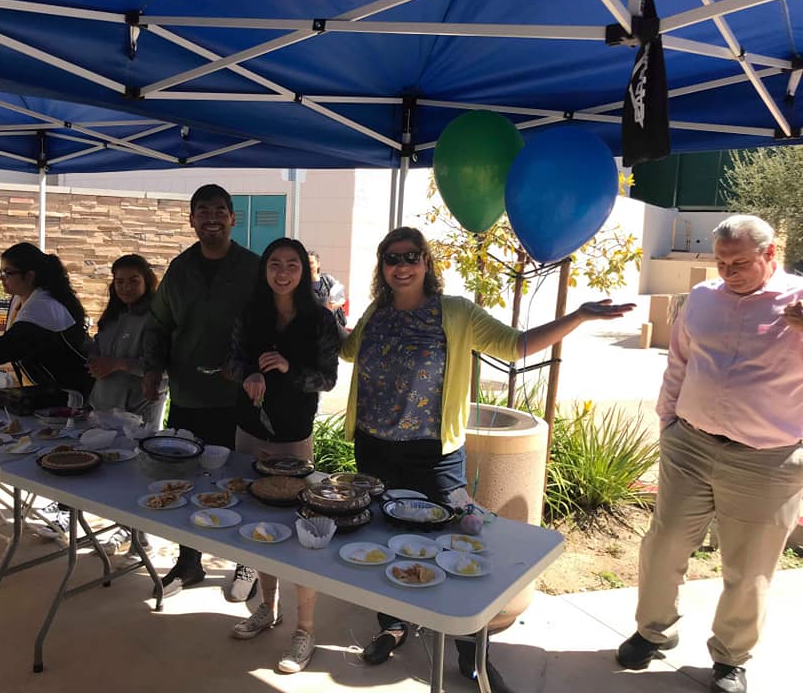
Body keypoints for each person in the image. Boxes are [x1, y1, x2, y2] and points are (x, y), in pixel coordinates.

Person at [341, 227, 633, 690]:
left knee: (461, 545)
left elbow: (517, 345)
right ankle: (394, 626)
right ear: (381, 266)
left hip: (433, 455)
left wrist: (577, 315)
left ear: (427, 263)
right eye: (391, 258)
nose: (401, 266)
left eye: (411, 256)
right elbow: (346, 347)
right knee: (384, 536)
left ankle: (472, 654)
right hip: (374, 449)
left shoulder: (454, 312)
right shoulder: (377, 313)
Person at [616, 215, 803, 693]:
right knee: (663, 544)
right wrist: (669, 424)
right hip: (690, 444)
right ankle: (653, 630)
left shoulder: (799, 303)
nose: (728, 271)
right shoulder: (701, 299)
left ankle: (730, 658)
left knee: (749, 567)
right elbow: (678, 360)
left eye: (739, 262)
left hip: (767, 458)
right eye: (720, 262)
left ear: (770, 256)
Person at [142, 183, 261, 600]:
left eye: (219, 210)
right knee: (185, 476)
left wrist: (247, 364)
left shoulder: (253, 267)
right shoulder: (180, 268)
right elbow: (159, 324)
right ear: (191, 219)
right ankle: (189, 561)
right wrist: (153, 367)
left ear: (233, 217)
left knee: (241, 477)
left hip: (239, 397)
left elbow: (270, 326)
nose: (211, 217)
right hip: (189, 394)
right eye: (202, 211)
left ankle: (248, 562)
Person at [226, 238, 340, 673]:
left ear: (304, 271)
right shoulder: (250, 311)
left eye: (292, 264)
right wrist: (249, 372)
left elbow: (328, 380)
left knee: (297, 530)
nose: (283, 271)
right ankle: (266, 609)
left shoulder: (320, 320)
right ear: (265, 269)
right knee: (258, 524)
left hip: (293, 436)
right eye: (275, 263)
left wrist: (290, 371)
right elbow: (230, 361)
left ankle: (304, 630)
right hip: (250, 430)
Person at [0, 242, 94, 538]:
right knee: (50, 445)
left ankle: (68, 514)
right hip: (48, 389)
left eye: (7, 273)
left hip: (71, 391)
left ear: (30, 275)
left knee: (64, 448)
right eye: (1, 272)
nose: (2, 278)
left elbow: (13, 344)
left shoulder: (45, 305)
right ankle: (61, 505)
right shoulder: (23, 299)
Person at [88, 254, 161, 556]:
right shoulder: (112, 318)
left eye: (134, 280)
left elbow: (163, 368)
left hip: (138, 410)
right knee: (111, 475)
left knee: (136, 474)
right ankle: (126, 529)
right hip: (105, 407)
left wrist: (119, 364)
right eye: (120, 281)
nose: (127, 287)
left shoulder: (157, 319)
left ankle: (137, 533)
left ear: (147, 281)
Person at [308, 250, 347, 328]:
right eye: (306, 263)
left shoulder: (327, 279)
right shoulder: (302, 284)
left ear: (318, 264)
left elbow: (342, 299)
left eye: (311, 263)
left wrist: (333, 305)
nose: (308, 266)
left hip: (334, 325)